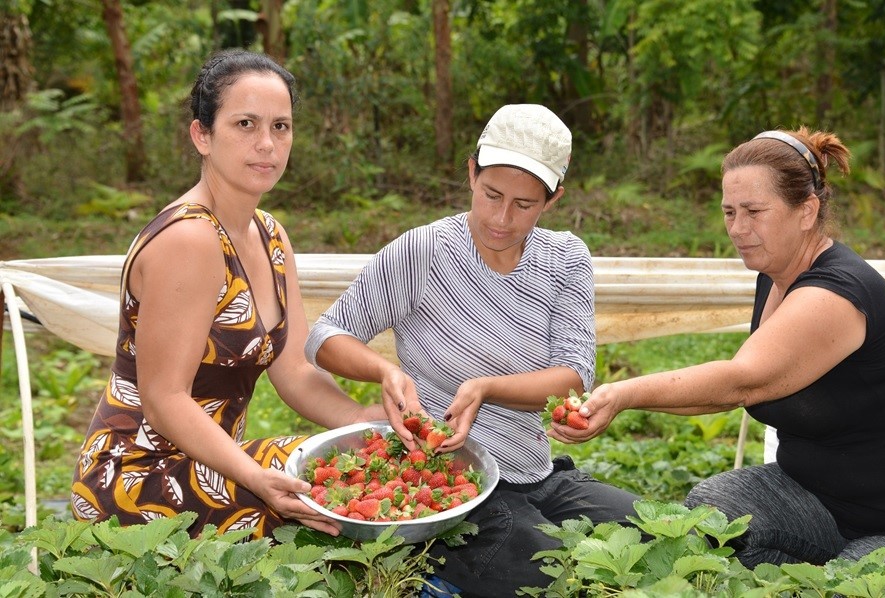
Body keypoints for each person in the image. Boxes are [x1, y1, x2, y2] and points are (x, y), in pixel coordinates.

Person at [550, 127, 885, 567]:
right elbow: (734, 390)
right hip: (821, 498)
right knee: (714, 511)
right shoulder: (775, 275)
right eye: (729, 212)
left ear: (807, 211)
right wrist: (621, 399)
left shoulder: (837, 294)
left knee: (852, 582)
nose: (738, 229)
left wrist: (624, 394)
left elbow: (742, 382)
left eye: (754, 212)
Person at [305, 104, 642, 596]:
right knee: (555, 575)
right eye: (491, 194)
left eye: (524, 204)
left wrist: (485, 388)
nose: (501, 218)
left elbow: (573, 375)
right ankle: (432, 571)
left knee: (649, 534)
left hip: (537, 474)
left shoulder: (566, 259)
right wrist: (384, 371)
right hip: (449, 480)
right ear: (471, 173)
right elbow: (325, 336)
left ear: (553, 200)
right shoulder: (423, 252)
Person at [71, 49, 384, 540]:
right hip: (136, 477)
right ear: (202, 135)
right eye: (245, 124)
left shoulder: (270, 235)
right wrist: (255, 476)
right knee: (332, 488)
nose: (267, 144)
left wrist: (364, 420)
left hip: (211, 465)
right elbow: (163, 399)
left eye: (281, 127)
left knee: (362, 463)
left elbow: (294, 370)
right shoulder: (189, 239)